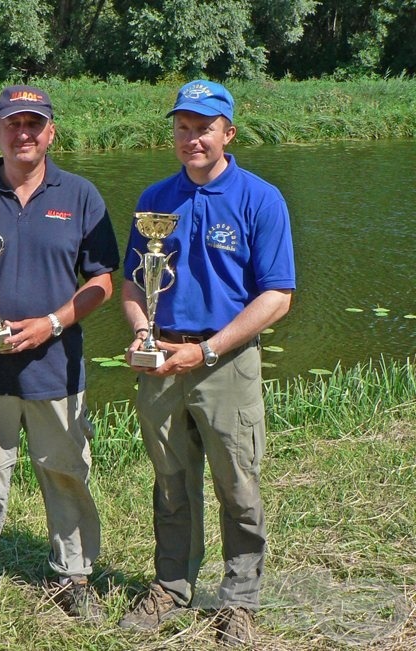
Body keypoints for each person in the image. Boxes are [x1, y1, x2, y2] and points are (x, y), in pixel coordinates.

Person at [0, 85, 120, 625]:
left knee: (65, 470)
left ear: (51, 132)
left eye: (34, 123)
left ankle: (73, 576)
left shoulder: (80, 195)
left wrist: (54, 322)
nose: (24, 133)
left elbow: (102, 279)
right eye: (13, 123)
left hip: (56, 364)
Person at [120, 80, 295, 646]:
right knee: (171, 484)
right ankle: (171, 588)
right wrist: (144, 333)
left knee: (238, 484)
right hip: (163, 359)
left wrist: (210, 348)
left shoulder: (260, 198)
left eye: (204, 128)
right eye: (183, 127)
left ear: (228, 133)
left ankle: (240, 599)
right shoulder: (155, 199)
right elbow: (131, 284)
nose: (192, 138)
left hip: (227, 361)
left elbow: (277, 296)